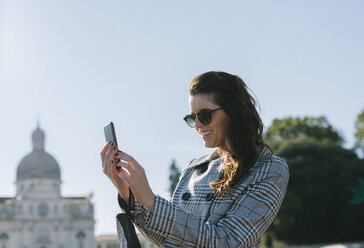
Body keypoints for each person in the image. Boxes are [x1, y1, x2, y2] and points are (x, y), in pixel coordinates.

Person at [101, 71, 289, 248]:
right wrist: (129, 195)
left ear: (233, 113)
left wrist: (151, 200)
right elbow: (168, 240)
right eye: (192, 118)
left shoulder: (269, 169)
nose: (197, 125)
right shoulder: (193, 168)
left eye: (205, 116)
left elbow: (228, 242)